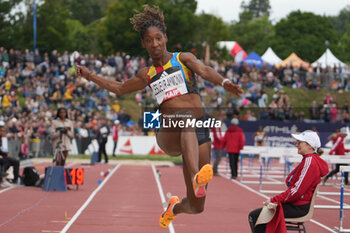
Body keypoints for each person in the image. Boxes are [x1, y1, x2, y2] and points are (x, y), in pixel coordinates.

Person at [75, 4, 243, 228]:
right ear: (144, 44)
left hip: (197, 130)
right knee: (185, 120)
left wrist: (224, 82)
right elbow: (118, 88)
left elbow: (204, 70)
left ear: (165, 38)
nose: (154, 44)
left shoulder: (183, 59)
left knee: (196, 206)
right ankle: (195, 175)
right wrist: (90, 76)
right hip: (169, 130)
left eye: (158, 38)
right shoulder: (147, 74)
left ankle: (174, 207)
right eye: (149, 40)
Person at [248, 130, 329, 233]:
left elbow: (297, 191)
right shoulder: (309, 160)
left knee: (255, 216)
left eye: (300, 142)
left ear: (310, 146)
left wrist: (274, 200)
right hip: (297, 204)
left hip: (299, 207)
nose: (297, 145)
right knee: (259, 214)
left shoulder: (310, 162)